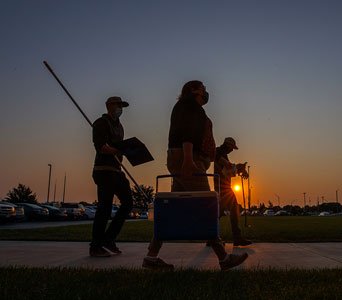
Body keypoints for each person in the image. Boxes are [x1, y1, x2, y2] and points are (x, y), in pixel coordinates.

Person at [142, 80, 248, 270]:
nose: (206, 92)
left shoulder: (184, 107)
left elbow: (198, 140)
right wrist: (189, 160)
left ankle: (151, 257)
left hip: (180, 158)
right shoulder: (191, 106)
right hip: (187, 159)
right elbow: (187, 134)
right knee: (206, 205)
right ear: (193, 90)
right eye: (203, 89)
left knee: (173, 210)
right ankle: (224, 258)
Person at [89, 96, 134, 257]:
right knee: (104, 208)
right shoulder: (101, 123)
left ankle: (109, 239)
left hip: (117, 170)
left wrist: (128, 151)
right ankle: (96, 246)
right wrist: (118, 151)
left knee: (128, 203)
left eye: (122, 106)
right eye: (117, 105)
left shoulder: (119, 126)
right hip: (103, 170)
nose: (120, 108)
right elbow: (101, 147)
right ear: (109, 106)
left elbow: (118, 147)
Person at [213, 137, 252, 246]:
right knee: (234, 208)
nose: (232, 150)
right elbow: (228, 167)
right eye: (232, 148)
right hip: (223, 187)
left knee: (218, 213)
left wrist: (239, 169)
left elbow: (228, 171)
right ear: (228, 145)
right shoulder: (218, 152)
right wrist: (240, 168)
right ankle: (237, 238)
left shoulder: (222, 153)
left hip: (222, 186)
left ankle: (210, 238)